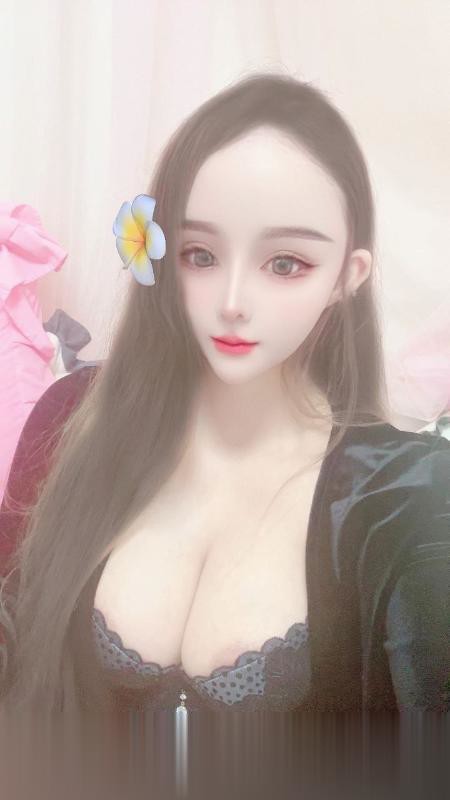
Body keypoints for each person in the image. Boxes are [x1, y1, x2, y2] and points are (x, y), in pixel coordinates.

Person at [0, 73, 449, 718]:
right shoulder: (72, 417)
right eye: (200, 254)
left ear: (345, 278)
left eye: (286, 263)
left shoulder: (406, 497)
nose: (233, 302)